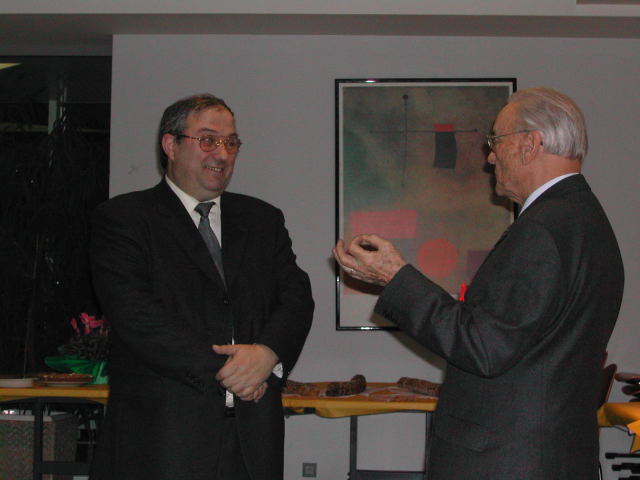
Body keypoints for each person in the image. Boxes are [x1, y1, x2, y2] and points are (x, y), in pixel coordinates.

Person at [334, 87, 624, 480]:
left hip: (508, 461)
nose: (489, 156)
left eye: (495, 141)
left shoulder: (542, 229)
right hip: (550, 455)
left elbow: (485, 346)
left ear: (530, 144)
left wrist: (394, 276)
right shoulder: (586, 219)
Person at [89, 93, 314, 480]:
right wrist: (235, 372)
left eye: (231, 142)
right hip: (163, 439)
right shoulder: (124, 218)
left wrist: (267, 354)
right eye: (208, 140)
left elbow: (297, 299)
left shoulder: (262, 219)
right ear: (170, 145)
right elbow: (136, 315)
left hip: (253, 438)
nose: (222, 154)